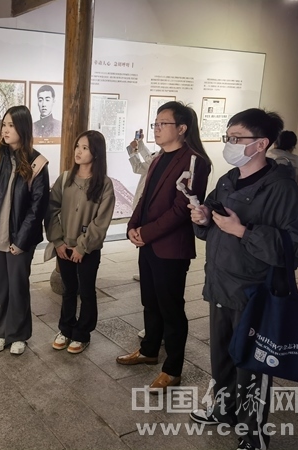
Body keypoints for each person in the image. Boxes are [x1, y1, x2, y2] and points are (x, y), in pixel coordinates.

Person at [188, 109, 298, 450]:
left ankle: (253, 433)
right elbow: (211, 223)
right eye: (227, 136)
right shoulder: (228, 179)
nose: (229, 143)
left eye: (236, 138)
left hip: (254, 292)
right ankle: (224, 409)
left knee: (252, 365)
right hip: (220, 284)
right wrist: (202, 217)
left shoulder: (281, 189)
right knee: (222, 357)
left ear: (260, 144)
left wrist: (243, 231)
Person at [115, 102, 212, 394]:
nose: (156, 129)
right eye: (155, 123)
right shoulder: (158, 159)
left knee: (171, 308)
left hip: (171, 248)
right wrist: (133, 226)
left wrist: (146, 233)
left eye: (162, 124)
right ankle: (149, 350)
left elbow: (182, 208)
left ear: (181, 129)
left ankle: (172, 369)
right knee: (150, 300)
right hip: (148, 244)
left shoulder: (194, 161)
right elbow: (144, 197)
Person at [0, 105, 50, 355]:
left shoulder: (37, 162)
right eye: (4, 124)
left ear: (23, 128)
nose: (5, 130)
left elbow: (38, 207)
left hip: (19, 238)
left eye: (11, 125)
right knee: (1, 288)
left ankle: (19, 335)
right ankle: (2, 333)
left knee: (18, 287)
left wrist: (22, 241)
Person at [46, 130, 115, 354]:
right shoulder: (65, 178)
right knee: (68, 290)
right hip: (64, 246)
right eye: (78, 146)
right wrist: (58, 241)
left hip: (88, 249)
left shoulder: (104, 184)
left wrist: (82, 247)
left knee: (86, 291)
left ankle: (82, 334)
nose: (79, 151)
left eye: (85, 148)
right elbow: (51, 210)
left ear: (96, 153)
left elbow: (101, 221)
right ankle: (65, 329)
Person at [127, 129, 158, 288]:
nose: (157, 130)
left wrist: (133, 151)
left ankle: (147, 272)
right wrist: (139, 145)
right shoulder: (160, 156)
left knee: (145, 237)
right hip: (145, 202)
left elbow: (139, 166)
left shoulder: (161, 158)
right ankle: (146, 271)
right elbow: (149, 157)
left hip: (146, 203)